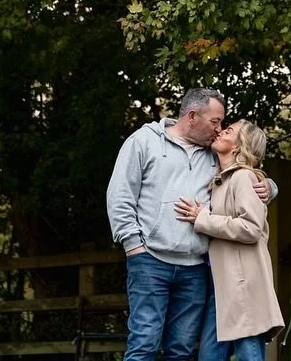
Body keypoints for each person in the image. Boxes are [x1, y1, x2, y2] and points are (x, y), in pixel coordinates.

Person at [107, 89, 273, 361]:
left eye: (223, 125)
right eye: (215, 122)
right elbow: (120, 195)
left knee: (181, 350)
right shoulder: (144, 142)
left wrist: (269, 186)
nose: (218, 130)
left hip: (194, 269)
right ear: (193, 116)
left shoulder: (212, 154)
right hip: (150, 261)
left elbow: (243, 174)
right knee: (143, 344)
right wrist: (133, 246)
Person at [173, 120, 285, 361]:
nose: (221, 131)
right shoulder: (220, 180)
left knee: (248, 354)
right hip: (221, 286)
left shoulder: (243, 177)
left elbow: (251, 228)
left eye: (229, 131)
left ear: (237, 147)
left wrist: (203, 218)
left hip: (243, 285)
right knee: (209, 356)